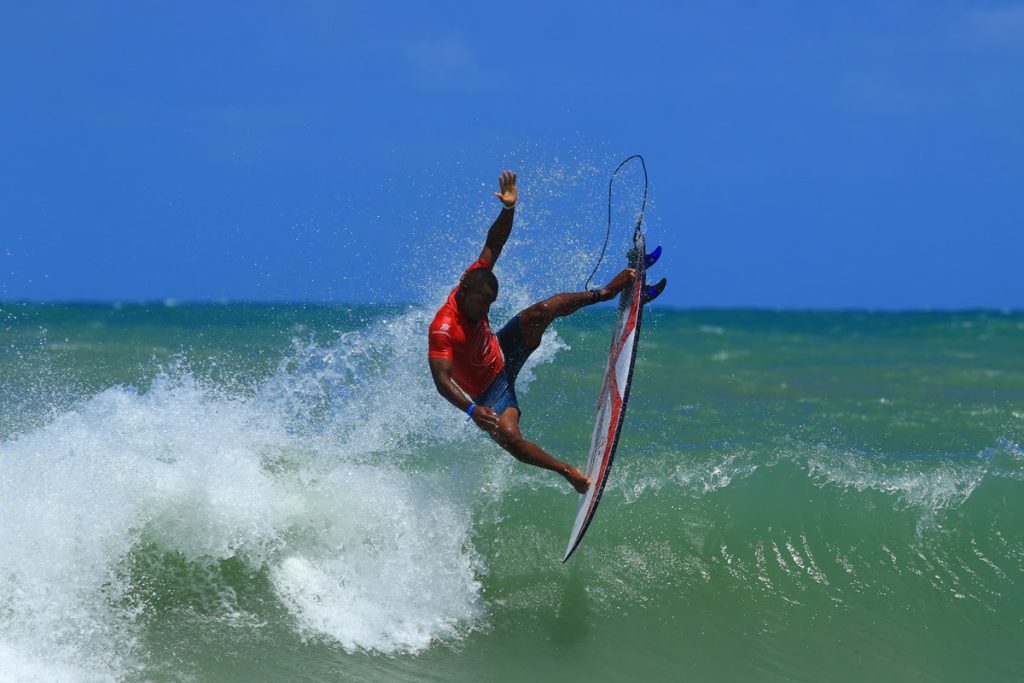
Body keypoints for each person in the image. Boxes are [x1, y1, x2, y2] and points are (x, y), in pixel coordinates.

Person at [427, 170, 635, 494]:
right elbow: (442, 379)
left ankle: (604, 294)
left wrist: (508, 209)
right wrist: (470, 409)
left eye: (490, 304)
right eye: (481, 304)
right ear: (464, 292)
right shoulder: (443, 327)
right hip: (488, 393)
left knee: (542, 311)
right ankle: (568, 472)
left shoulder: (477, 278)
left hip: (502, 349)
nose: (486, 311)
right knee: (510, 437)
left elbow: (493, 243)